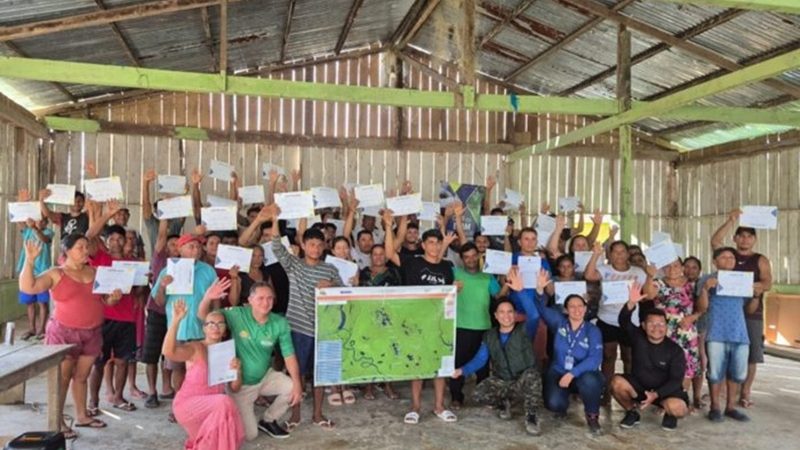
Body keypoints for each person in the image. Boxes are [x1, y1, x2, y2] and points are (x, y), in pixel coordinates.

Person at [19, 234, 122, 439]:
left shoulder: (94, 273)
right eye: (80, 247)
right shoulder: (57, 274)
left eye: (87, 247)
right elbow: (27, 287)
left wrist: (113, 298)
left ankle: (82, 416)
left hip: (92, 333)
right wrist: (29, 262)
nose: (85, 251)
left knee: (82, 377)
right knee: (63, 378)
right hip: (62, 333)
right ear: (67, 251)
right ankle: (57, 422)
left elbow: (106, 302)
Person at [198, 280, 303, 441]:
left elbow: (289, 355)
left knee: (292, 388)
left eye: (269, 298)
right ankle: (233, 414)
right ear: (250, 300)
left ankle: (268, 420)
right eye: (260, 298)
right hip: (241, 386)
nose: (266, 302)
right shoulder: (236, 315)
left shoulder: (280, 322)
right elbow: (205, 317)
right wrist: (207, 298)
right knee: (249, 435)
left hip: (265, 376)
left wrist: (297, 383)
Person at [268, 205, 341, 430]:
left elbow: (343, 291)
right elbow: (276, 247)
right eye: (311, 244)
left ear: (324, 246)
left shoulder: (330, 269)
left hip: (325, 330)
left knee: (321, 375)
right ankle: (296, 414)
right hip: (298, 330)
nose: (316, 248)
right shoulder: (294, 265)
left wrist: (332, 285)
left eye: (320, 245)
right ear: (303, 245)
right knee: (296, 374)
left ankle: (318, 414)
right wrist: (274, 219)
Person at [384, 210, 458, 425]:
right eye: (431, 242)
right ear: (423, 245)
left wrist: (455, 289)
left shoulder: (447, 267)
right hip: (414, 324)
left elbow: (448, 294)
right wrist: (389, 225)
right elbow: (389, 253)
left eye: (438, 243)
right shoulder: (412, 262)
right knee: (416, 365)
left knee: (439, 367)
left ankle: (439, 407)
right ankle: (415, 407)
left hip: (439, 325)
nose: (435, 246)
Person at [452, 267, 543, 436]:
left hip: (523, 379)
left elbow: (535, 316)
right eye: (501, 312)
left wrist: (520, 291)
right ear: (495, 315)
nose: (506, 316)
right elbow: (480, 359)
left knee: (532, 376)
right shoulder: (490, 335)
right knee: (479, 393)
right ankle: (505, 402)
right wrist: (461, 371)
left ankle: (531, 416)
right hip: (504, 380)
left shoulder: (524, 330)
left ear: (515, 315)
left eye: (510, 312)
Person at [528, 269, 604, 435]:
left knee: (591, 381)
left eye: (580, 306)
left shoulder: (592, 330)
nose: (576, 310)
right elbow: (541, 309)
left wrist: (572, 374)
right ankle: (563, 401)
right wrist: (540, 290)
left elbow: (595, 359)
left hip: (582, 374)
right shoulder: (559, 323)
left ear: (585, 309)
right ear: (566, 309)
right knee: (554, 404)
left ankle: (592, 416)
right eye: (572, 306)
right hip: (559, 371)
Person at [163, 299, 245, 450]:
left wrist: (238, 371)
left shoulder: (226, 352)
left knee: (206, 440)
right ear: (204, 329)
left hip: (213, 408)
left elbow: (235, 388)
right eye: (210, 324)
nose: (215, 327)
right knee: (224, 402)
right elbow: (168, 352)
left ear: (225, 329)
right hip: (189, 405)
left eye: (220, 324)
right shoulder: (196, 348)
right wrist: (175, 321)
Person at [711, 211, 772, 409]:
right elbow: (715, 240)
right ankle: (724, 394)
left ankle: (745, 392)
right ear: (735, 238)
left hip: (752, 312)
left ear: (754, 239)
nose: (745, 239)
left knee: (751, 354)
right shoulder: (728, 255)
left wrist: (758, 288)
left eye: (749, 236)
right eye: (741, 235)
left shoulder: (760, 259)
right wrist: (731, 220)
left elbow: (768, 281)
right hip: (726, 312)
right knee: (724, 351)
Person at [612, 284, 689, 431]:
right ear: (643, 325)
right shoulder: (637, 337)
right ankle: (632, 412)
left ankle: (669, 414)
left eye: (661, 324)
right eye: (651, 324)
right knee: (616, 383)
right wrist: (631, 304)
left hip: (665, 392)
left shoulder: (675, 350)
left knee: (678, 408)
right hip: (640, 388)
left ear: (666, 327)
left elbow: (676, 380)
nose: (656, 328)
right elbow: (624, 322)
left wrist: (656, 394)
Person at [584, 240, 653, 404]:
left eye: (623, 251)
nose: (619, 255)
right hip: (607, 319)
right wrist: (595, 254)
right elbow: (589, 275)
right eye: (615, 252)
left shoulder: (638, 272)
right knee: (608, 357)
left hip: (630, 320)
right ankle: (606, 393)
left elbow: (649, 295)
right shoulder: (604, 270)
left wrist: (650, 275)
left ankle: (630, 392)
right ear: (609, 254)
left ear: (628, 254)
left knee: (629, 357)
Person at [697, 247, 759, 423]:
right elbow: (701, 308)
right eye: (723, 257)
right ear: (715, 261)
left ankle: (730, 407)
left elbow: (750, 309)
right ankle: (715, 407)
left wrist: (755, 296)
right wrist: (705, 290)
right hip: (716, 332)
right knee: (715, 372)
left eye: (731, 257)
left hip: (739, 333)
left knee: (737, 373)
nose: (728, 260)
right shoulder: (707, 279)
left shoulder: (742, 281)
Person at [151, 233, 219, 392]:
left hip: (202, 331)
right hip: (178, 330)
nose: (196, 250)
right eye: (191, 246)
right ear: (180, 249)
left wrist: (215, 325)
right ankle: (179, 404)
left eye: (198, 247)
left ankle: (198, 403)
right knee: (178, 370)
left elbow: (216, 302)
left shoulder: (209, 271)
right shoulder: (167, 271)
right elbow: (159, 302)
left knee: (201, 371)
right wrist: (162, 286)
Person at [449, 242, 505, 409]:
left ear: (479, 256)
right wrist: (450, 288)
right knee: (457, 364)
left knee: (483, 367)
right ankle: (456, 398)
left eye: (474, 256)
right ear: (462, 259)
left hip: (484, 327)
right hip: (461, 327)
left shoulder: (487, 277)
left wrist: (508, 283)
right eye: (467, 257)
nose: (471, 259)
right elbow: (441, 292)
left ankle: (485, 397)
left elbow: (498, 296)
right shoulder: (454, 273)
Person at [140, 219, 180, 409]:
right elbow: (162, 236)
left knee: (169, 353)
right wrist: (165, 217)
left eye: (178, 244)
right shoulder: (159, 259)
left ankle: (166, 387)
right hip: (157, 312)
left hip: (176, 315)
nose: (175, 247)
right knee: (151, 354)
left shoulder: (187, 263)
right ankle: (151, 392)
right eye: (172, 244)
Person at [651, 260, 701, 405]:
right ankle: (664, 401)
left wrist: (693, 317)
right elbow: (648, 295)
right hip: (663, 331)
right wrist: (649, 276)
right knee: (663, 366)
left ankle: (681, 399)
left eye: (676, 265)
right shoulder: (657, 283)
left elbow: (702, 307)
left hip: (686, 331)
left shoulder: (693, 284)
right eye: (667, 265)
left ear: (682, 268)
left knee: (687, 367)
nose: (672, 269)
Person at [358, 243, 400, 401]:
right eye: (375, 254)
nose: (378, 257)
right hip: (368, 317)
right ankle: (369, 386)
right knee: (369, 351)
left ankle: (388, 385)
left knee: (388, 352)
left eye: (381, 254)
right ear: (370, 256)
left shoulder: (394, 273)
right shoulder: (364, 273)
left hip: (388, 318)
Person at [15, 189, 53, 340]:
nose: (39, 222)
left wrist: (35, 228)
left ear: (46, 222)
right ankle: (31, 328)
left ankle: (41, 330)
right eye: (37, 219)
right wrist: (21, 202)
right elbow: (18, 220)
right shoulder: (28, 231)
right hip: (28, 273)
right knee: (30, 303)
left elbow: (45, 240)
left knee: (43, 303)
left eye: (42, 220)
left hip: (43, 272)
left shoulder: (48, 232)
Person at [683, 256, 707, 409]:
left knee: (698, 361)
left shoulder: (704, 285)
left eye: (694, 267)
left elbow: (705, 307)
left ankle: (697, 396)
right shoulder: (677, 284)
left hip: (700, 325)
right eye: (687, 266)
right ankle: (681, 395)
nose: (690, 270)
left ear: (700, 270)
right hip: (681, 327)